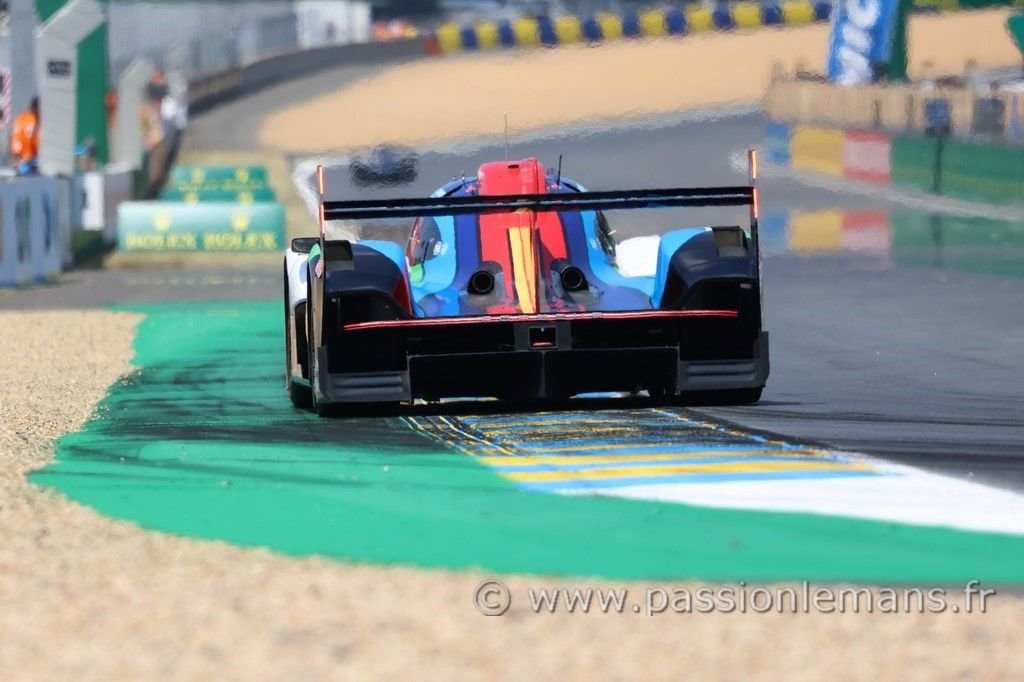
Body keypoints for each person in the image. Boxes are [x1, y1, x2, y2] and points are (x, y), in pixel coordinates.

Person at [10, 96, 40, 175]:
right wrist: (19, 158)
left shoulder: (43, 120)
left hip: (39, 160)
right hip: (26, 160)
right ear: (33, 107)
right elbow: (17, 140)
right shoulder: (23, 119)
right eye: (38, 107)